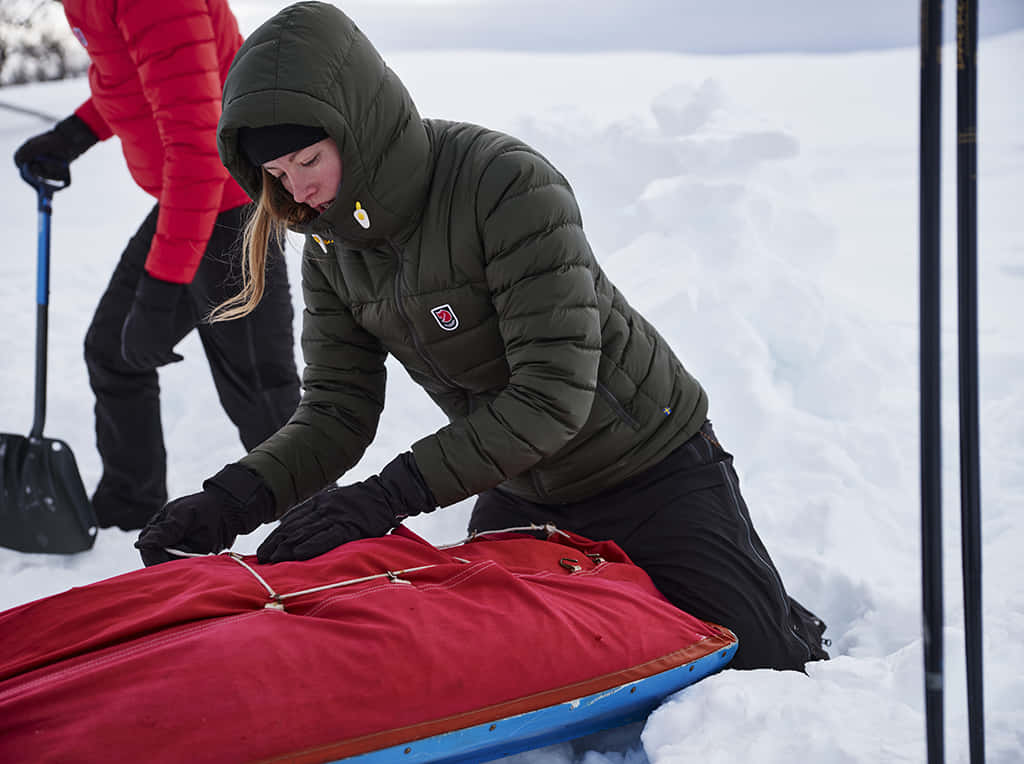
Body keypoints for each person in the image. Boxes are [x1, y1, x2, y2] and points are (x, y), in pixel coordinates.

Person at [136, 1, 829, 671]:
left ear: (357, 126)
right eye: (277, 177)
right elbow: (337, 410)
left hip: (650, 466)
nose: (298, 192)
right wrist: (232, 500)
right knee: (510, 665)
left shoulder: (503, 184)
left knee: (758, 661)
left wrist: (383, 497)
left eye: (308, 161)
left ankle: (768, 601)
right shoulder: (331, 247)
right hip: (525, 485)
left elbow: (553, 396)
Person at [12, 0, 301, 531]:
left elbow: (199, 149)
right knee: (115, 351)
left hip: (231, 201)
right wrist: (77, 132)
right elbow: (142, 80)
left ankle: (318, 531)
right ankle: (131, 501)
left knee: (261, 389)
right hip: (190, 199)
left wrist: (161, 289)